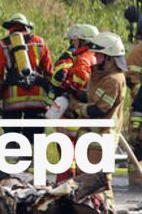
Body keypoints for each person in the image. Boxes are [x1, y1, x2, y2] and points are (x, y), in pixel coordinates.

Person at [67, 31, 127, 208]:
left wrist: (74, 106)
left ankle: (108, 210)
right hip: (90, 139)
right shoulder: (101, 76)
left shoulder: (114, 80)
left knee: (100, 183)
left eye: (99, 55)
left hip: (100, 141)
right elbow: (93, 97)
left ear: (110, 58)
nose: (95, 58)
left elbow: (98, 109)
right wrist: (74, 92)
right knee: (85, 183)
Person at [0, 13, 53, 143]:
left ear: (10, 29)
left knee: (12, 138)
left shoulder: (3, 44)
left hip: (12, 100)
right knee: (34, 138)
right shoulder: (40, 42)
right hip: (37, 100)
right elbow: (48, 71)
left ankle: (13, 161)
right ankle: (31, 162)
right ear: (27, 27)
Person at [49, 24, 98, 182]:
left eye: (75, 41)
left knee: (67, 148)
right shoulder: (95, 56)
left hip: (73, 111)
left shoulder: (84, 58)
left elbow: (78, 78)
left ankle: (65, 181)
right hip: (84, 111)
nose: (73, 44)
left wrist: (68, 87)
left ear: (83, 41)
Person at [125, 35, 142, 187]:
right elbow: (131, 77)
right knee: (137, 146)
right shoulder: (138, 51)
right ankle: (136, 179)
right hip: (139, 107)